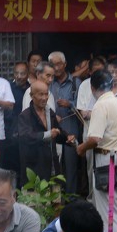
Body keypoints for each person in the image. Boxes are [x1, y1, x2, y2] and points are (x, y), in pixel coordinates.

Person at [77, 69, 117, 232]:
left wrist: (81, 148)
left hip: (109, 162)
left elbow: (95, 138)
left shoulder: (100, 105)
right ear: (111, 85)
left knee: (109, 213)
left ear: (92, 88)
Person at [17, 79, 65, 185]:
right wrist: (47, 134)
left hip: (52, 165)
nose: (44, 98)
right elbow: (26, 137)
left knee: (55, 193)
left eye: (46, 94)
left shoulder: (49, 112)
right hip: (34, 168)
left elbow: (57, 132)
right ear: (32, 95)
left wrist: (68, 139)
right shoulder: (25, 116)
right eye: (40, 94)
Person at [48, 51, 83, 194]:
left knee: (71, 167)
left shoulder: (76, 83)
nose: (56, 68)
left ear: (65, 64)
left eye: (59, 64)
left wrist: (70, 104)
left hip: (70, 130)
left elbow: (83, 106)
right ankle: (56, 199)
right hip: (53, 131)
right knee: (54, 167)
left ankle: (71, 198)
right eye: (53, 65)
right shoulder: (49, 82)